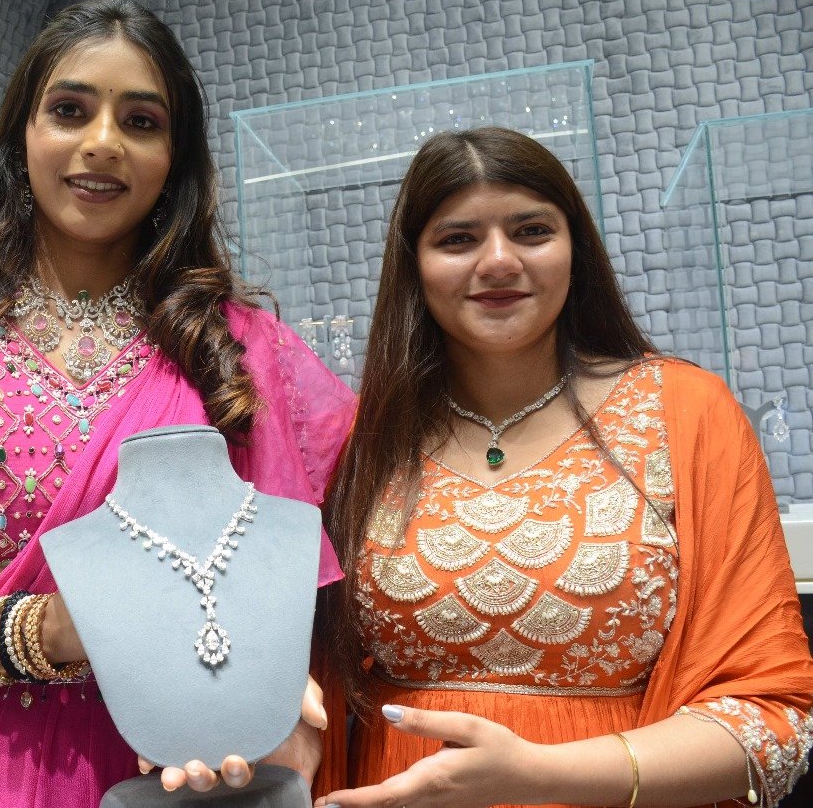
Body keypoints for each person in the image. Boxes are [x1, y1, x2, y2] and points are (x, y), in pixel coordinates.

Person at [0, 0, 355, 807]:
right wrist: (47, 630)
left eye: (141, 121)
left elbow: (296, 597)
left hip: (189, 762)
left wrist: (282, 722)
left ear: (174, 157)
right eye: (69, 110)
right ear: (20, 137)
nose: (102, 142)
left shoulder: (234, 349)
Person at [313, 126, 813, 808]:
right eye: (457, 239)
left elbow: (770, 712)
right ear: (413, 266)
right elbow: (305, 668)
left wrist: (539, 774)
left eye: (531, 231)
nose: (498, 261)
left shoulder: (685, 411)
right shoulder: (363, 436)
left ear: (575, 248)